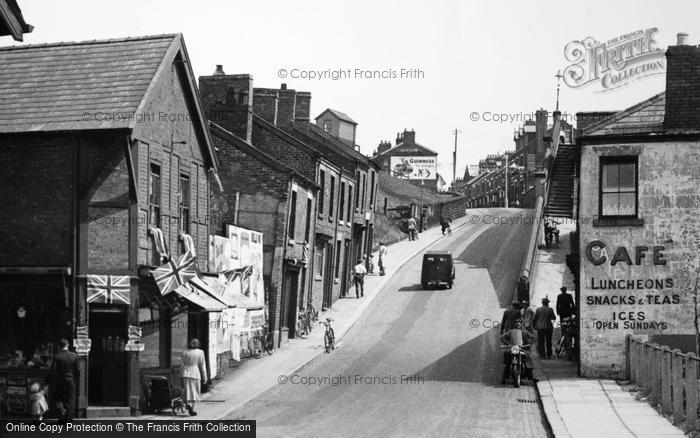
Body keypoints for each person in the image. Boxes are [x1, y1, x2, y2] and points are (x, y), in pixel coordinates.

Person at [49, 338, 79, 424]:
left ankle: (61, 418)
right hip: (70, 380)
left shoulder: (57, 356)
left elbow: (53, 370)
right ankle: (69, 419)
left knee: (59, 399)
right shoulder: (74, 356)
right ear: (68, 345)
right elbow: (78, 370)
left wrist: (51, 380)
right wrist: (74, 379)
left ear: (59, 346)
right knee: (70, 400)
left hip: (60, 381)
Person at [182, 338, 208, 416]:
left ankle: (188, 404)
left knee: (187, 391)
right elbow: (202, 365)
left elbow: (181, 365)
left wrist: (181, 375)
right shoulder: (200, 352)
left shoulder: (185, 352)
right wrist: (205, 377)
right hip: (195, 373)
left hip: (185, 373)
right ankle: (191, 407)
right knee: (194, 391)